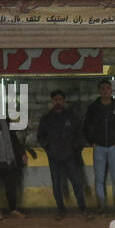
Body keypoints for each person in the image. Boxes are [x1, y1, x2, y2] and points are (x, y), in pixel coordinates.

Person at [37, 90, 89, 218]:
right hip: (54, 157)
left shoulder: (72, 117)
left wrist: (75, 149)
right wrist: (49, 149)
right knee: (56, 184)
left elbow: (80, 135)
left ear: (64, 101)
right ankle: (60, 209)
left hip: (70, 156)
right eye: (55, 100)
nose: (58, 102)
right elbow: (40, 137)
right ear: (52, 101)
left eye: (60, 100)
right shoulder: (46, 118)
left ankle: (83, 209)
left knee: (76, 182)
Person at [83, 79, 115, 212]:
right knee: (99, 178)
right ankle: (101, 205)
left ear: (111, 90)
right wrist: (92, 142)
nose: (106, 91)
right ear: (99, 91)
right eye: (103, 88)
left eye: (108, 88)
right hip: (99, 147)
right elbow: (86, 127)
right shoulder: (93, 108)